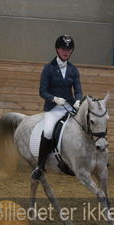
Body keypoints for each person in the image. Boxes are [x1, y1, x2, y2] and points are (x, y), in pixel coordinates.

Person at [31, 34, 83, 180]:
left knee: (85, 126)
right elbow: (42, 91)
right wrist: (54, 98)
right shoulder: (48, 68)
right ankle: (40, 167)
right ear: (57, 49)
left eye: (69, 49)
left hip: (70, 106)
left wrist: (78, 100)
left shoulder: (73, 70)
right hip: (53, 108)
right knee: (48, 132)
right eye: (62, 48)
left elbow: (78, 89)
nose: (66, 51)